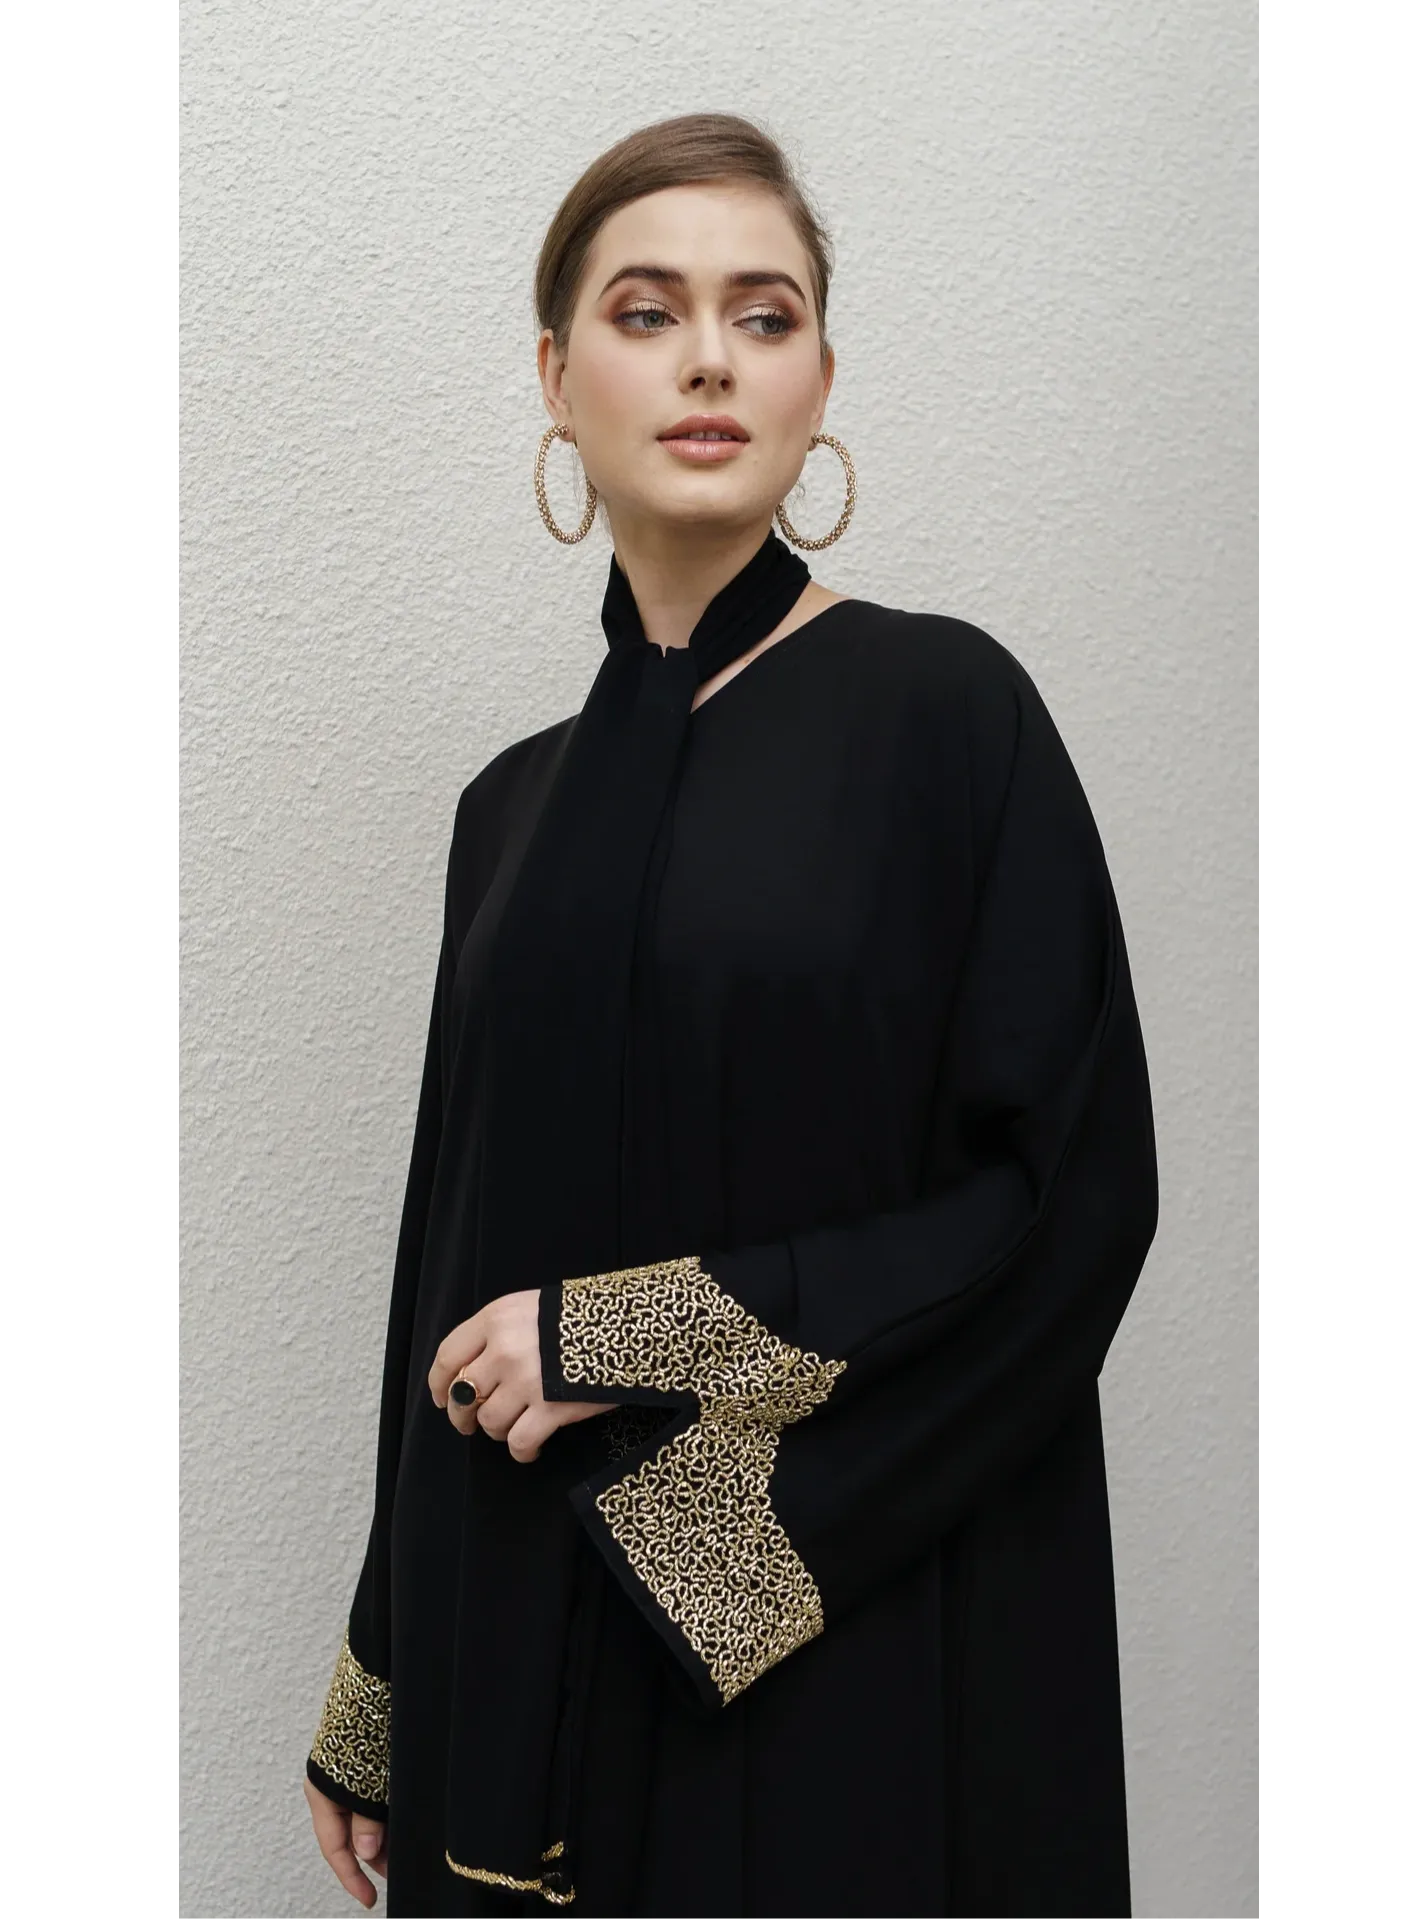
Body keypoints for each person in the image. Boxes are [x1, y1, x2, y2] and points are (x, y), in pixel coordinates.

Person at [302, 111, 1159, 1919]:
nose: (709, 358)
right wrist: (382, 1676)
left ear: (819, 378)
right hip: (511, 1631)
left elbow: (1063, 1200)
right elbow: (449, 1245)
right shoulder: (510, 807)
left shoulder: (945, 714)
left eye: (763, 316)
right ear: (556, 377)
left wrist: (621, 1346)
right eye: (647, 311)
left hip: (835, 1622)